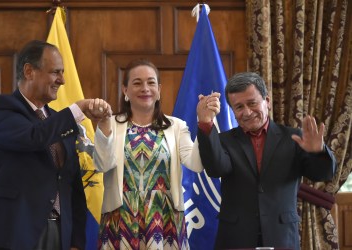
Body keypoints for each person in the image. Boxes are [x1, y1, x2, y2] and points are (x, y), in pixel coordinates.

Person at [0, 40, 108, 250]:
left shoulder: (58, 121)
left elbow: (72, 185)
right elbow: (33, 137)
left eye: (62, 72)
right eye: (55, 72)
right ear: (29, 71)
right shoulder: (0, 109)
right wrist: (76, 109)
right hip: (10, 235)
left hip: (58, 235)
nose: (62, 80)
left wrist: (76, 242)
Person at [196, 72, 336, 250]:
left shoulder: (293, 138)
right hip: (236, 237)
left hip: (282, 235)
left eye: (252, 103)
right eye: (238, 107)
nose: (247, 112)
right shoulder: (223, 140)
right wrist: (206, 123)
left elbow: (322, 174)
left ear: (267, 101)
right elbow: (217, 169)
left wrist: (319, 152)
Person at [92, 59, 219, 249]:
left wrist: (204, 121)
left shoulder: (176, 126)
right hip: (121, 220)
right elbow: (102, 165)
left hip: (165, 221)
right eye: (137, 83)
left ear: (159, 90)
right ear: (125, 90)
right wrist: (103, 125)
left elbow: (196, 164)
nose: (145, 88)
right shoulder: (109, 123)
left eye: (151, 82)